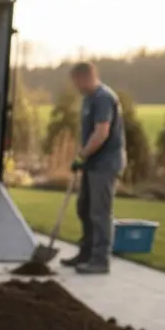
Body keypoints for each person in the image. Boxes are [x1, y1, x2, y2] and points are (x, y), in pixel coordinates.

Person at [62, 61, 126, 274]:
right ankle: (86, 252)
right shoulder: (89, 99)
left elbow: (101, 132)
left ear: (84, 77)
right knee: (84, 208)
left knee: (100, 212)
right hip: (93, 163)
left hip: (106, 164)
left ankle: (100, 260)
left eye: (75, 81)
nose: (75, 86)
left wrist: (83, 155)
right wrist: (83, 154)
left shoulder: (103, 98)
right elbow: (89, 132)